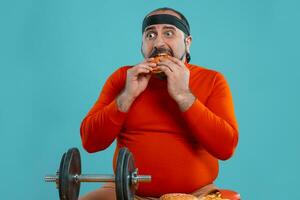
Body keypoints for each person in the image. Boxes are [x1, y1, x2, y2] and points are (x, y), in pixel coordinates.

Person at [79, 7, 239, 200]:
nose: (159, 42)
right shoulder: (122, 78)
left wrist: (184, 96)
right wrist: (127, 96)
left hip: (196, 194)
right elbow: (90, 142)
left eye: (169, 33)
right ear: (142, 44)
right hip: (124, 191)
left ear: (187, 43)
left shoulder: (212, 80)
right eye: (150, 35)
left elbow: (226, 147)